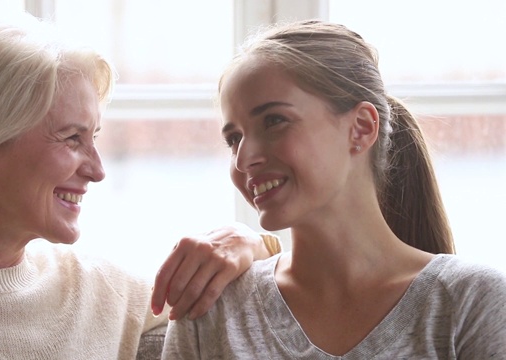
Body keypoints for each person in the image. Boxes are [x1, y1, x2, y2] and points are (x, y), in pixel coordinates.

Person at [0, 14, 280, 359]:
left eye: (94, 137)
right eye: (71, 138)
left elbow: (284, 297)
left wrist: (253, 244)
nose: (98, 171)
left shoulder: (102, 291)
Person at [162, 19, 506, 359]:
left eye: (274, 121)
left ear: (360, 128)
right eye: (234, 139)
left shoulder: (473, 303)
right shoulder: (210, 310)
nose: (243, 159)